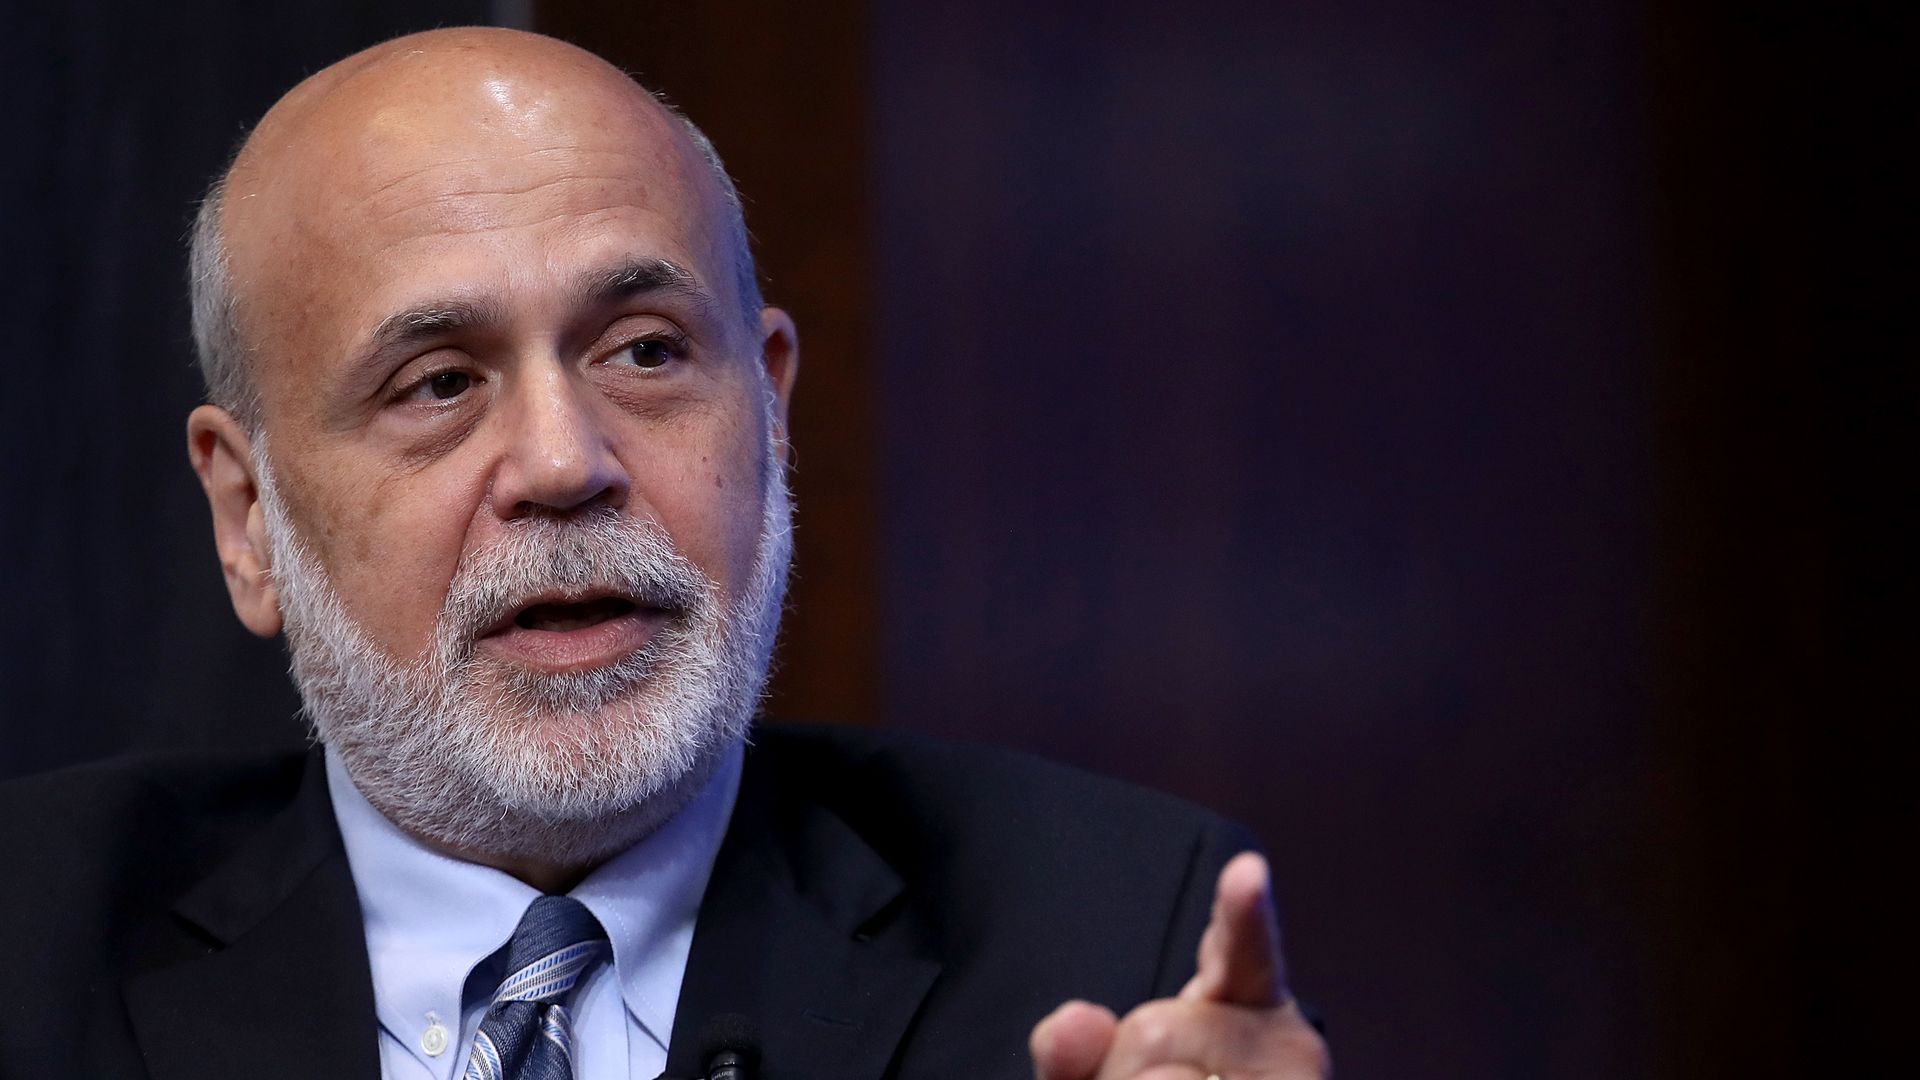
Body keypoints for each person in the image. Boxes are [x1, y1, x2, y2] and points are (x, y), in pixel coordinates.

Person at [0, 27, 1327, 1080]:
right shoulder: (32, 949)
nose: (566, 463)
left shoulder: (1103, 938)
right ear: (249, 520)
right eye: (439, 381)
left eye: (645, 351)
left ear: (771, 411)